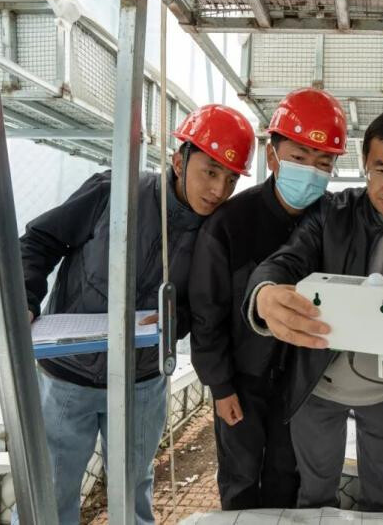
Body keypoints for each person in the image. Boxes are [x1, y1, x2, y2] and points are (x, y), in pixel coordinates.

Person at [18, 105, 255, 525]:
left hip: (142, 382)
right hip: (67, 375)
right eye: (210, 171)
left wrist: (172, 321)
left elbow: (206, 307)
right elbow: (40, 240)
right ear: (179, 161)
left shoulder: (218, 231)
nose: (219, 189)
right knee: (50, 490)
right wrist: (25, 297)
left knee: (132, 489)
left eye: (232, 179)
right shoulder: (115, 192)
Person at [243, 108, 383, 512]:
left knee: (382, 492)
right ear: (364, 164)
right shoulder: (331, 212)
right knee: (315, 493)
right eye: (381, 171)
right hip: (319, 385)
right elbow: (287, 259)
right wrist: (264, 292)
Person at [189, 88, 348, 509]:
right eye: (299, 157)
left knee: (287, 474)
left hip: (303, 380)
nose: (310, 171)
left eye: (323, 163)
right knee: (241, 475)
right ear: (272, 156)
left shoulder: (333, 221)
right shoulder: (230, 223)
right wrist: (221, 386)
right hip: (243, 379)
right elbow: (207, 312)